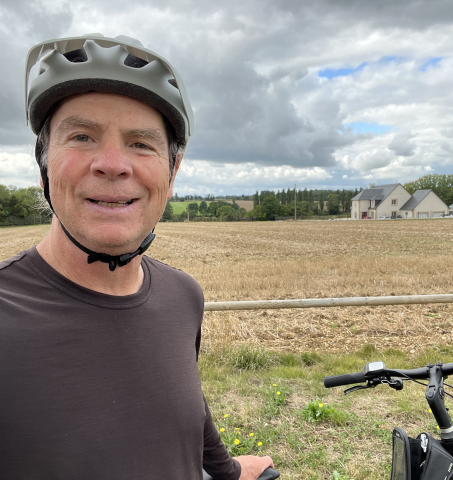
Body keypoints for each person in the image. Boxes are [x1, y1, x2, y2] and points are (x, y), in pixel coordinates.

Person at [0, 34, 274, 480]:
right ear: (44, 159)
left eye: (141, 143)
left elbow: (186, 412)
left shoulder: (182, 296)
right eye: (82, 136)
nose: (112, 164)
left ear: (173, 169)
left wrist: (228, 471)